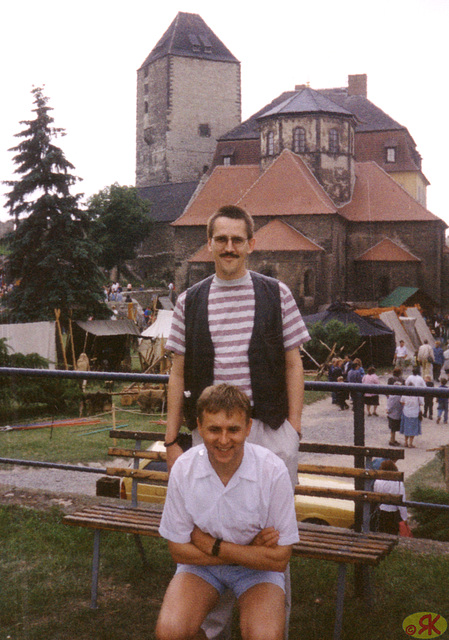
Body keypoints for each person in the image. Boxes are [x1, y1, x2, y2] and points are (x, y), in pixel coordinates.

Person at [164, 204, 310, 639]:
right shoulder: (189, 301)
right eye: (221, 239)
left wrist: (294, 430)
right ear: (209, 244)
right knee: (210, 524)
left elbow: (293, 363)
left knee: (268, 536)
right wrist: (172, 438)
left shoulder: (275, 293)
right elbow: (175, 372)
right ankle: (211, 624)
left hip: (266, 428)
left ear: (251, 243)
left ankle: (267, 618)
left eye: (237, 239)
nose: (229, 247)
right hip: (211, 434)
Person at [156, 384, 299, 640]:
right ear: (199, 427)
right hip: (203, 568)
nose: (223, 440)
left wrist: (210, 545)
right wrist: (250, 552)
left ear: (248, 428)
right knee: (170, 632)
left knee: (265, 637)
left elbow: (279, 559)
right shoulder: (183, 469)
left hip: (257, 572)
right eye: (214, 429)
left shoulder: (273, 470)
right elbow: (178, 550)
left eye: (233, 429)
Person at [373, 460, 408, 535]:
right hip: (393, 513)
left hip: (381, 511)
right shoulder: (398, 483)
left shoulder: (378, 481)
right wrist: (404, 517)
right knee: (392, 534)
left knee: (381, 533)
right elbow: (402, 502)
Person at [400, 378, 424, 448]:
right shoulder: (417, 395)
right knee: (413, 429)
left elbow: (401, 402)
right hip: (415, 413)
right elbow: (421, 403)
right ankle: (410, 443)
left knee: (406, 428)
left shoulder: (405, 394)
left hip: (406, 412)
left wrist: (407, 404)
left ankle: (405, 442)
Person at [386, 381, 403, 446]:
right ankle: (392, 440)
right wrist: (389, 410)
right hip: (394, 414)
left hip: (393, 414)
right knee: (393, 429)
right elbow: (391, 405)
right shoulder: (396, 397)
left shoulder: (392, 395)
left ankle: (393, 439)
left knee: (393, 429)